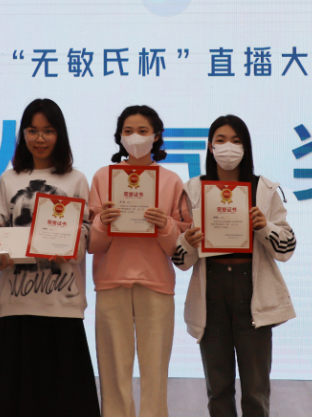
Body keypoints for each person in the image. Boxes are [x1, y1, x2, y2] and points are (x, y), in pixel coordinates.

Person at [0, 98, 100, 417]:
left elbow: (86, 233)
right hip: (16, 301)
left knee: (67, 400)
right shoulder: (8, 179)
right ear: (23, 135)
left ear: (60, 134)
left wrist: (69, 246)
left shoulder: (76, 179)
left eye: (48, 131)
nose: (40, 138)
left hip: (63, 300)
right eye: (32, 131)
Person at [172, 115, 296, 417]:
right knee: (218, 389)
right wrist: (188, 241)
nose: (228, 147)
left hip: (251, 290)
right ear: (210, 146)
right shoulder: (193, 189)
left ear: (246, 146)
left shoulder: (263, 188)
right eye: (221, 140)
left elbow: (287, 248)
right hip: (211, 292)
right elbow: (179, 259)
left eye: (236, 141)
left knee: (255, 389)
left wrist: (264, 227)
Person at [88, 105, 190, 417]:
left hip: (156, 283)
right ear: (119, 137)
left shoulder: (172, 181)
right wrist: (103, 222)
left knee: (155, 371)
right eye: (128, 131)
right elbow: (92, 244)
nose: (135, 137)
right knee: (113, 371)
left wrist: (165, 225)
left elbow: (180, 247)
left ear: (156, 136)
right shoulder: (103, 177)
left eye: (143, 131)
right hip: (111, 282)